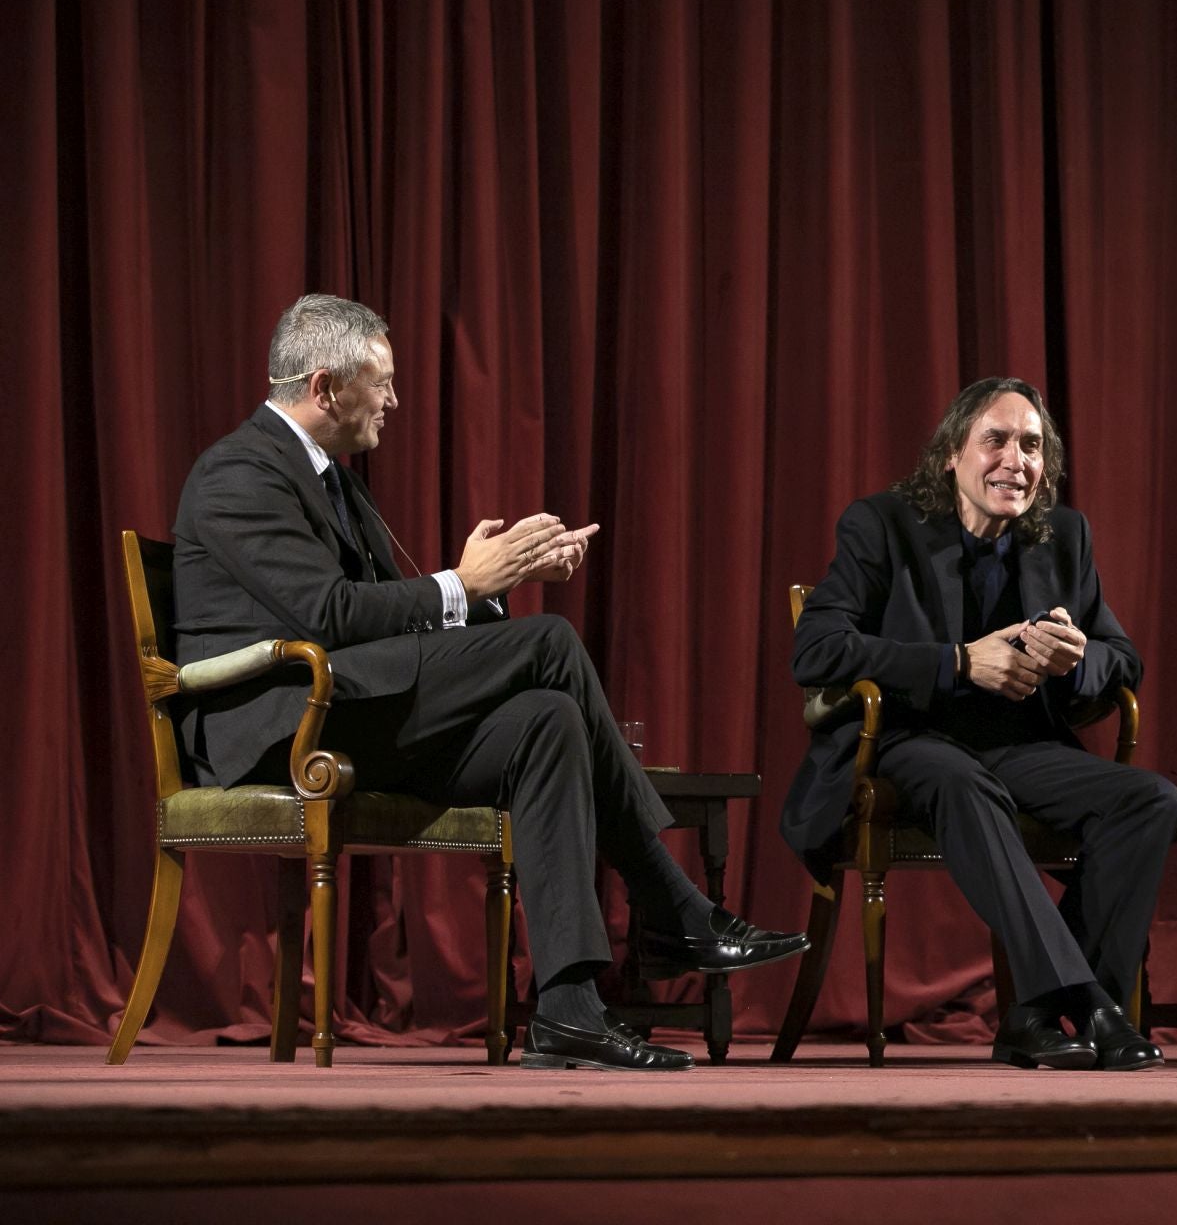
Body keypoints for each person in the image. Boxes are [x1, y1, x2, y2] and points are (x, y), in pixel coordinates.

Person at [172, 293, 806, 1072]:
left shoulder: (334, 477)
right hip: (278, 723)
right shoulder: (239, 471)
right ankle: (671, 906)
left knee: (547, 719)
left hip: (344, 707)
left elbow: (385, 620)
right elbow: (328, 615)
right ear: (326, 386)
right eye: (384, 381)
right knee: (549, 643)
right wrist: (463, 586)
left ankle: (570, 1008)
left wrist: (495, 587)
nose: (396, 400)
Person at [784, 377, 1177, 1071]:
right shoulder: (881, 524)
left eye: (1031, 445)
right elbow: (817, 650)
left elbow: (1123, 660)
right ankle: (1093, 1007)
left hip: (1018, 745)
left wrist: (1075, 659)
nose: (1016, 460)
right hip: (908, 741)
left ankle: (1034, 1014)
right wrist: (959, 663)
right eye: (995, 440)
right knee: (963, 782)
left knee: (1151, 800)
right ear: (951, 455)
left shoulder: (1064, 536)